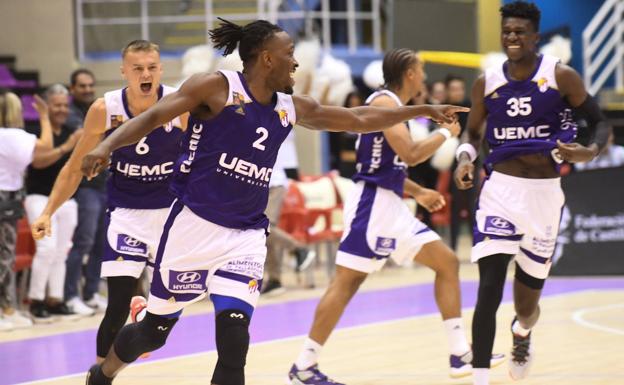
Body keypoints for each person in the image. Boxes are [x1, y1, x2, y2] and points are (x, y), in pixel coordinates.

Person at [78, 19, 468, 385]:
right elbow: (152, 117)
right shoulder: (215, 87)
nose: (296, 61)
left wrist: (423, 110)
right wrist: (106, 146)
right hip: (191, 228)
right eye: (289, 53)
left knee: (234, 339)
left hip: (245, 237)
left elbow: (358, 119)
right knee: (154, 333)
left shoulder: (289, 106)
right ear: (267, 58)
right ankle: (105, 372)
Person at [288, 49, 503, 385]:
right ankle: (303, 365)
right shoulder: (385, 105)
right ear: (410, 74)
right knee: (346, 283)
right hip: (372, 207)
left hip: (389, 204)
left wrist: (418, 193)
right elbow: (411, 154)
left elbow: (386, 166)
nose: (425, 76)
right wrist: (447, 133)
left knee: (446, 262)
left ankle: (460, 353)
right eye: (421, 69)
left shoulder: (395, 108)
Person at [453, 2, 612, 385]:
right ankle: (479, 377)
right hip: (501, 192)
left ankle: (522, 333)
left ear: (535, 37)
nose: (512, 37)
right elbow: (473, 132)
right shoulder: (486, 82)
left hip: (544, 196)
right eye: (507, 31)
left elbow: (600, 122)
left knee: (527, 307)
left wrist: (590, 150)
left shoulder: (561, 77)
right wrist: (464, 158)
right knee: (489, 285)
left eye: (520, 32)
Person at [31, 40, 188, 362]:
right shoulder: (106, 109)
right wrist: (48, 210)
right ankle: (100, 372)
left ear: (160, 69)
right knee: (115, 305)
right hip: (127, 214)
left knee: (170, 308)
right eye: (138, 68)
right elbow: (75, 166)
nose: (146, 74)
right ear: (124, 72)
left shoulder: (178, 104)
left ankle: (146, 312)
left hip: (171, 215)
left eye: (152, 67)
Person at [24, 84, 82, 323]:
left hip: (66, 200)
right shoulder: (35, 130)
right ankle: (36, 300)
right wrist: (67, 146)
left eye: (65, 105)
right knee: (46, 249)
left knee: (61, 252)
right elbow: (38, 162)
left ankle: (55, 300)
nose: (62, 109)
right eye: (57, 104)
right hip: (38, 197)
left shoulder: (71, 129)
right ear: (47, 106)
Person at [0, 90, 54, 331]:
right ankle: (4, 310)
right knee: (5, 257)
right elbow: (46, 147)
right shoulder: (13, 135)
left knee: (6, 256)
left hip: (7, 198)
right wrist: (44, 117)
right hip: (5, 198)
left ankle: (8, 308)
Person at [65, 68, 108, 315]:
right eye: (82, 86)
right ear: (73, 89)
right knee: (83, 242)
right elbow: (94, 138)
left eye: (91, 85)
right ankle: (71, 295)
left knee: (100, 244)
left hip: (104, 185)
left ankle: (91, 293)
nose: (88, 89)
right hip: (84, 189)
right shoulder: (71, 115)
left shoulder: (96, 110)